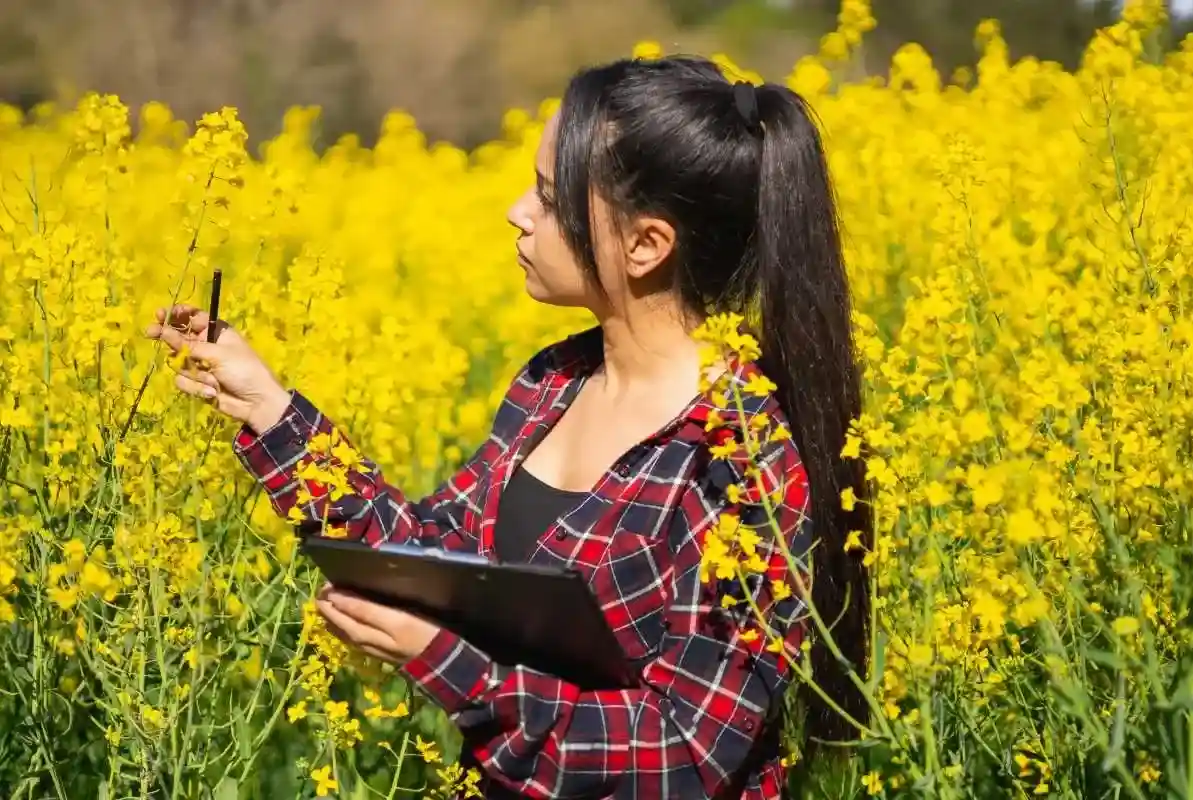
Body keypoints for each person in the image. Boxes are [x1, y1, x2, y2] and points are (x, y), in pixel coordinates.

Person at [145, 55, 871, 800]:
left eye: (550, 199)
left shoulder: (741, 459)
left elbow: (683, 753)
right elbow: (433, 556)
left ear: (645, 246)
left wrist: (455, 668)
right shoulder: (552, 382)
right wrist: (270, 408)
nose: (518, 212)